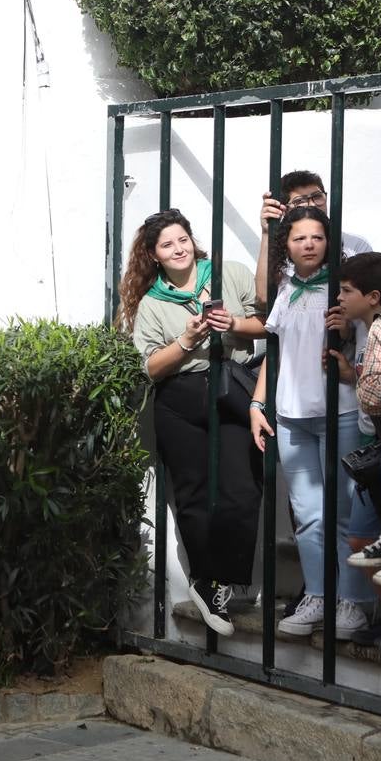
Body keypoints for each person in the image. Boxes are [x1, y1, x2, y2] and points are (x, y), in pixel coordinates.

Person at [115, 209, 266, 635]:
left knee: (242, 486)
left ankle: (227, 574)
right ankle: (207, 581)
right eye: (167, 245)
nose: (178, 249)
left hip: (231, 388)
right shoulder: (153, 303)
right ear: (154, 255)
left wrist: (232, 324)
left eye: (183, 239)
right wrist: (187, 340)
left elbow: (269, 323)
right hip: (179, 400)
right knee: (194, 493)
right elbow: (150, 367)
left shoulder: (227, 274)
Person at [250, 207, 374, 639]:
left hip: (337, 414)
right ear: (287, 243)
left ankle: (352, 602)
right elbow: (275, 348)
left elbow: (371, 350)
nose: (308, 244)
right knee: (308, 516)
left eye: (317, 238)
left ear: (329, 243)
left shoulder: (345, 293)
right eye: (299, 237)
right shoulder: (285, 288)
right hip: (291, 416)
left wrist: (347, 341)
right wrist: (257, 403)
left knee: (344, 513)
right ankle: (318, 597)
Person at [340, 254, 381, 569]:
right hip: (374, 437)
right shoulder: (366, 327)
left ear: (373, 297)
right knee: (363, 538)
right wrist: (351, 374)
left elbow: (376, 395)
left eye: (347, 290)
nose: (339, 297)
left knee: (373, 536)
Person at [254, 170, 373, 304]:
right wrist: (266, 233)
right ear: (284, 210)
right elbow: (264, 297)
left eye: (317, 196)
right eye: (299, 201)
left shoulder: (355, 245)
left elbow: (368, 298)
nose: (312, 204)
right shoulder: (283, 246)